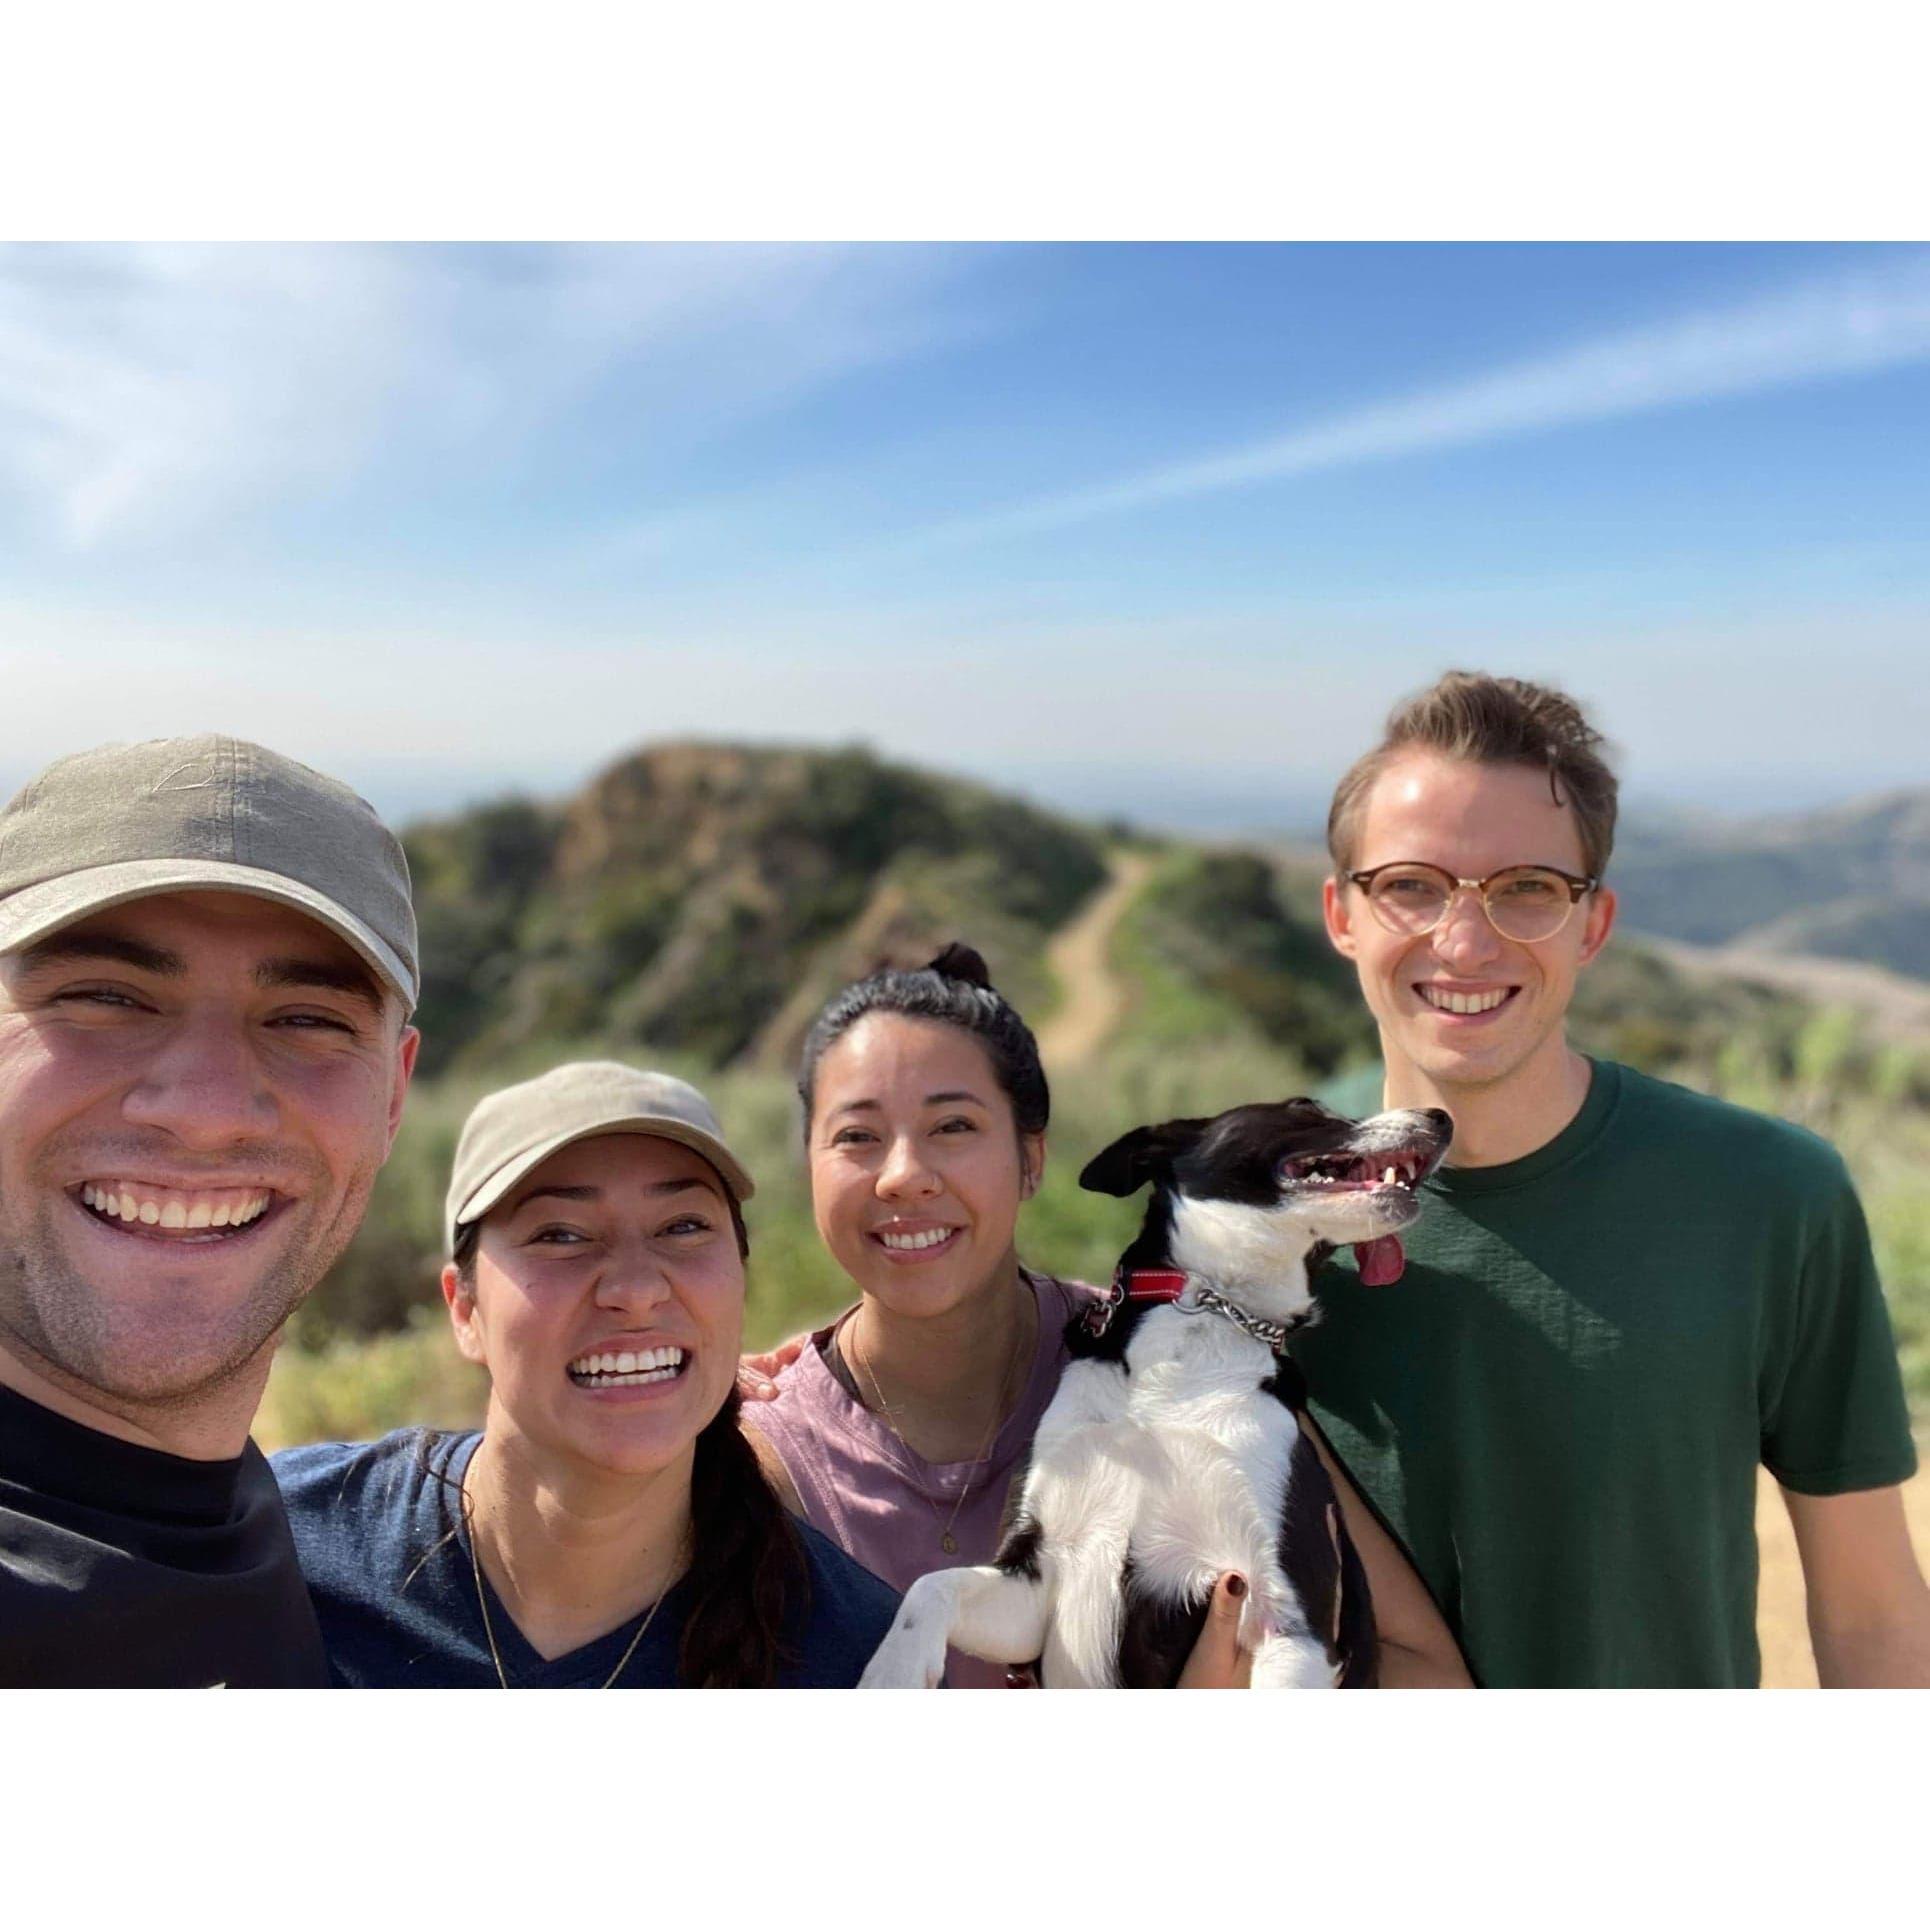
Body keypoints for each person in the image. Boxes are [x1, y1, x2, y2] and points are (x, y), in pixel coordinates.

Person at [1297, 669, 1930, 1687]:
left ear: (1590, 925)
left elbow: (1874, 1616)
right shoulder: (1251, 1203)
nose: (1463, 939)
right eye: (1412, 884)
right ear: (1342, 915)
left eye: (1526, 891)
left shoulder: (1769, 1193)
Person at [743, 943, 1469, 1686]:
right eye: (856, 1136)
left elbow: (1420, 1667)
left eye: (953, 1126)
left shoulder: (1197, 1352)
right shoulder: (752, 1443)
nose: (903, 1176)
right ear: (807, 1166)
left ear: (1032, 1159)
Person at [0, 734, 420, 1687]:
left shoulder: (254, 1520)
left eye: (308, 1020)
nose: (206, 1111)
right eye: (104, 997)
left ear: (394, 1098)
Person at [273, 1061, 899, 1686]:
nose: (635, 1289)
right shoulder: (278, 1550)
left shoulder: (863, 1659)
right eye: (561, 1235)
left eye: (683, 1227)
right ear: (465, 1309)